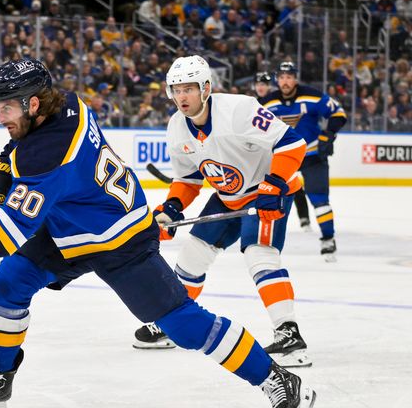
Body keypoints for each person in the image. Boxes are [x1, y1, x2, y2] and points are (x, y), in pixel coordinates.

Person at [0, 58, 316, 408]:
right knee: (9, 284)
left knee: (183, 324)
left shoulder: (47, 153)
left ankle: (276, 378)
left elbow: (5, 232)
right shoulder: (66, 103)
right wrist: (3, 163)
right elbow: (22, 145)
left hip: (120, 238)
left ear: (33, 104)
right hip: (66, 229)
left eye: (6, 107)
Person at [133, 56, 312, 369]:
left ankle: (289, 335)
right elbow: (188, 179)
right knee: (190, 258)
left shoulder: (239, 110)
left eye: (189, 88)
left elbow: (292, 144)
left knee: (260, 255)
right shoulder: (177, 127)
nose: (182, 96)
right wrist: (172, 207)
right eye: (176, 89)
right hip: (227, 196)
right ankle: (173, 324)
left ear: (206, 88)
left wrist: (273, 185)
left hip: (265, 193)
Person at [259, 62, 347, 261]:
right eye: (281, 77)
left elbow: (339, 114)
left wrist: (328, 134)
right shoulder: (266, 103)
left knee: (319, 200)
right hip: (283, 158)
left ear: (296, 79)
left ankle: (328, 239)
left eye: (289, 77)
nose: (286, 81)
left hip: (312, 155)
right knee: (269, 199)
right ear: (277, 80)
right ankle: (263, 241)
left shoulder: (312, 95)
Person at [256, 72, 311, 232]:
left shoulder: (275, 103)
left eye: (264, 84)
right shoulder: (251, 104)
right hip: (261, 153)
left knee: (293, 182)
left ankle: (304, 219)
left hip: (279, 151)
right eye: (258, 84)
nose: (261, 87)